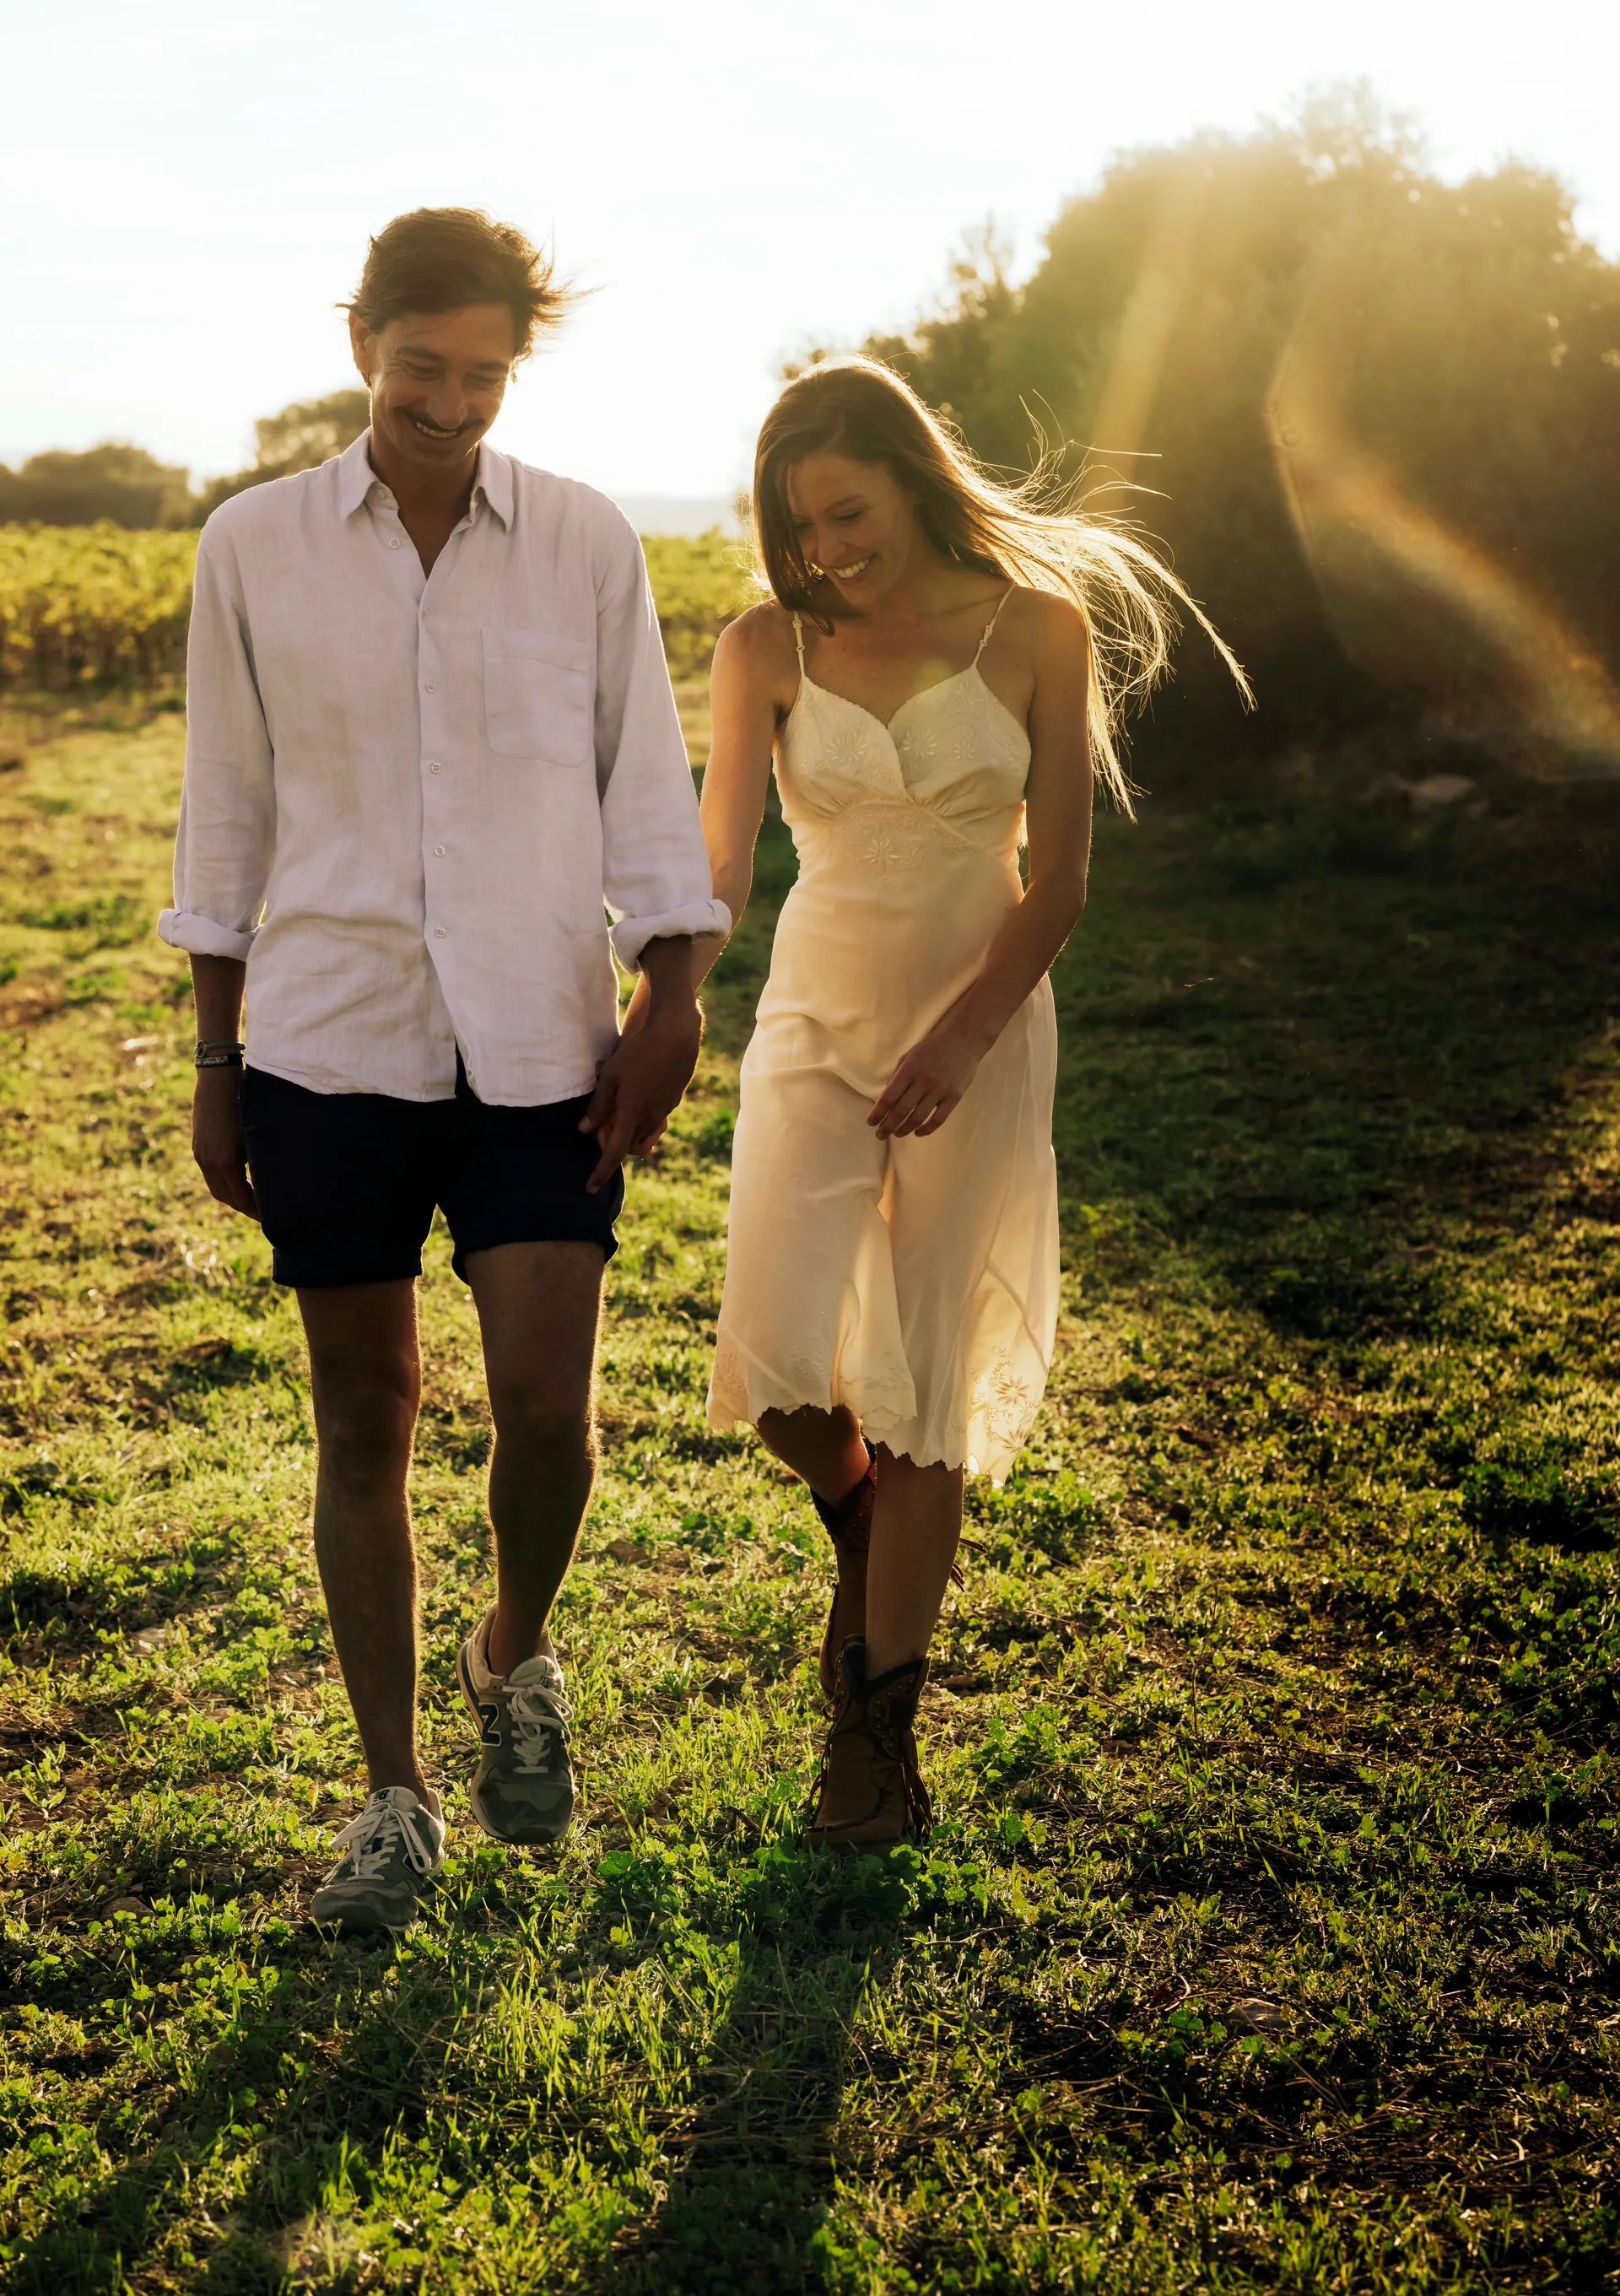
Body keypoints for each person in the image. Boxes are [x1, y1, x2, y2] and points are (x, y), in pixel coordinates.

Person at [159, 208, 728, 1928]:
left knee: (551, 1410)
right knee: (367, 1418)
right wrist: (215, 1057)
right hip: (328, 1038)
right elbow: (227, 804)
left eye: (485, 376)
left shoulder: (581, 542)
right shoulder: (253, 545)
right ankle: (392, 1795)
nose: (454, 402)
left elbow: (647, 777)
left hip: (545, 1039)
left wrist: (675, 989)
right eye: (426, 368)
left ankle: (513, 1652)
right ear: (362, 345)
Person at [697, 359, 1245, 1845]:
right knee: (783, 1364)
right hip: (814, 1017)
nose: (829, 550)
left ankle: (874, 1743)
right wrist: (654, 996)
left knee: (930, 1379)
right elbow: (721, 863)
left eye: (850, 512)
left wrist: (965, 1034)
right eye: (801, 527)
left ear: (914, 476)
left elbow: (1059, 874)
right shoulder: (765, 645)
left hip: (982, 1026)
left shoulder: (1037, 629)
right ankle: (858, 1512)